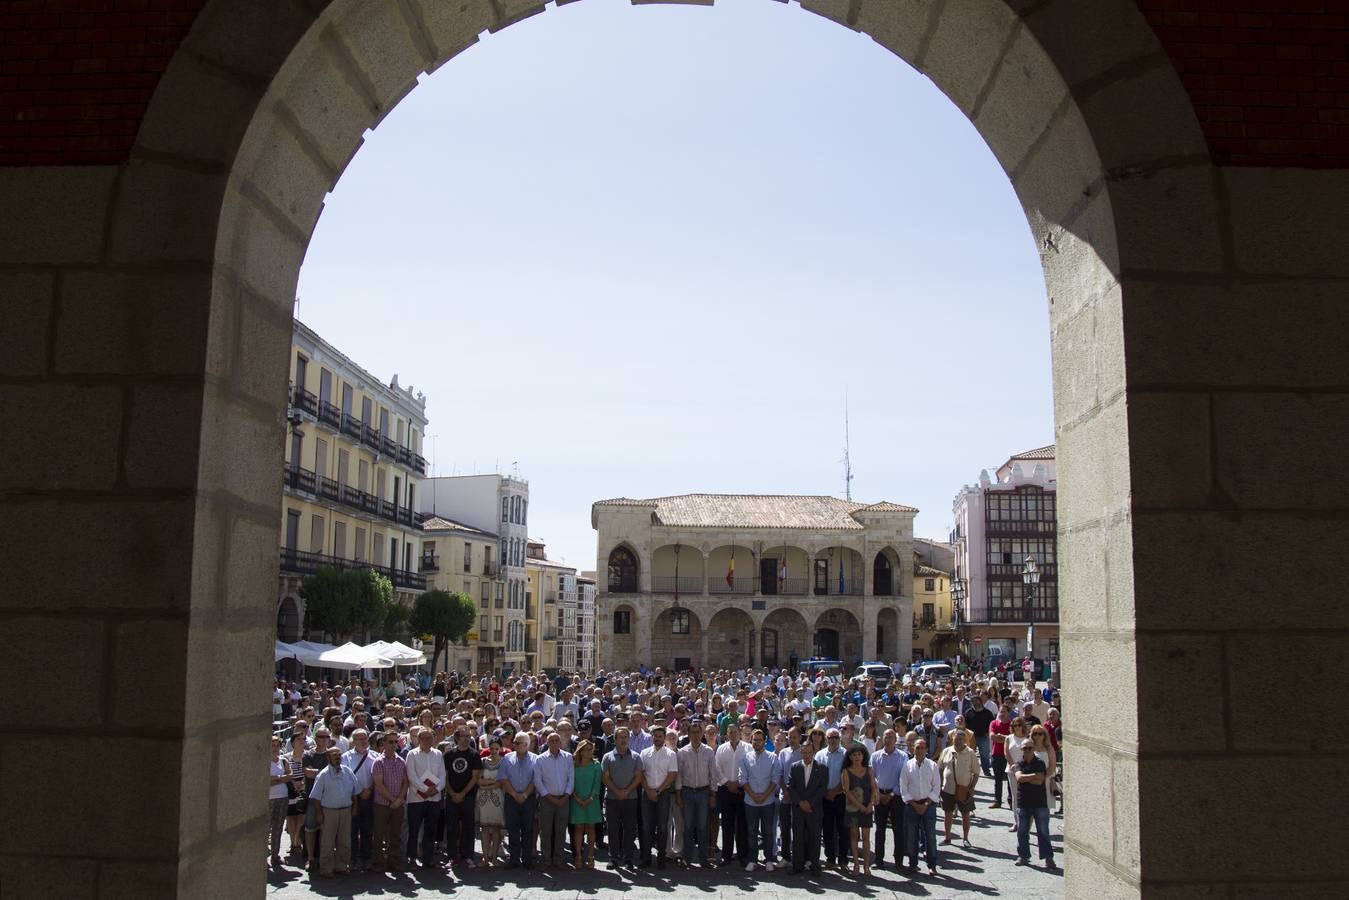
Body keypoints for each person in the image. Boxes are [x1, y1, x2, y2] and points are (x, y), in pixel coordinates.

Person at [311, 746, 358, 876]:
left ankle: (341, 866)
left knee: (345, 841)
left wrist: (355, 807)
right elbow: (316, 797)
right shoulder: (323, 775)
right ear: (328, 757)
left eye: (339, 754)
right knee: (328, 842)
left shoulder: (348, 771)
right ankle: (326, 869)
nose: (337, 757)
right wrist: (319, 813)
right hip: (329, 812)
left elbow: (355, 792)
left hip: (346, 810)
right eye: (334, 755)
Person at [676, 718, 717, 867]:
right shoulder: (682, 752)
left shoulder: (709, 751)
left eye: (698, 732)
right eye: (692, 732)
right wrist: (679, 795)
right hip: (687, 792)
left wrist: (713, 794)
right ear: (688, 734)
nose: (695, 735)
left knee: (702, 826)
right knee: (687, 826)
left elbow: (713, 774)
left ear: (702, 734)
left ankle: (703, 859)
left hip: (703, 792)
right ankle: (686, 858)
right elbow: (679, 775)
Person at [738, 728, 780, 872]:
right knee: (752, 832)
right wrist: (752, 795)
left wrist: (764, 795)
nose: (757, 742)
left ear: (765, 741)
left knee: (768, 832)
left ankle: (768, 859)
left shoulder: (773, 757)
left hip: (767, 801)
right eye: (754, 740)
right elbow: (742, 779)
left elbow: (775, 779)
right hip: (750, 801)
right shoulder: (745, 758)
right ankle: (752, 860)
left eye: (759, 740)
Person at [601, 726, 643, 870]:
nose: (623, 739)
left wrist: (626, 791)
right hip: (612, 798)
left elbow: (638, 777)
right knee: (612, 829)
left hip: (630, 798)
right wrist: (617, 791)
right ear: (615, 739)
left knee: (629, 829)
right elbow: (605, 778)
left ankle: (628, 858)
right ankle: (613, 858)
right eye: (620, 737)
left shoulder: (636, 757)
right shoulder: (607, 757)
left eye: (626, 737)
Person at [899, 738, 941, 877]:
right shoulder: (907, 766)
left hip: (929, 805)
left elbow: (936, 787)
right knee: (911, 836)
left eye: (923, 747)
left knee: (931, 836)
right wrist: (914, 804)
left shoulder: (932, 765)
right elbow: (903, 787)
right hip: (912, 805)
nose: (920, 750)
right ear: (913, 749)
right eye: (918, 747)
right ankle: (913, 864)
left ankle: (932, 865)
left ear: (926, 749)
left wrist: (926, 804)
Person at [405, 726, 446, 868]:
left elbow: (442, 775)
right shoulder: (412, 754)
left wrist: (437, 789)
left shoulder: (438, 754)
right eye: (425, 738)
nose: (428, 740)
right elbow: (411, 776)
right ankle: (412, 858)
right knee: (414, 830)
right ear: (418, 739)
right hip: (416, 799)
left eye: (430, 738)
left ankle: (428, 859)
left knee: (431, 830)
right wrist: (424, 789)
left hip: (434, 798)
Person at [638, 724, 677, 869]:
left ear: (664, 737)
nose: (658, 738)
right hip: (647, 793)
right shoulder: (644, 753)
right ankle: (646, 858)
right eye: (655, 736)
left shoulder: (671, 754)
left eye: (660, 736)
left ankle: (661, 857)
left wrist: (658, 791)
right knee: (646, 827)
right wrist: (649, 790)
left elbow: (672, 775)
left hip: (663, 793)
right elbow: (641, 774)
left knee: (662, 827)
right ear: (652, 737)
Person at [443, 725, 482, 868]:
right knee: (452, 828)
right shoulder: (449, 755)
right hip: (451, 796)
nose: (466, 739)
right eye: (463, 736)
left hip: (468, 796)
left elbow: (475, 777)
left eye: (468, 736)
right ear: (457, 738)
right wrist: (452, 793)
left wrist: (463, 793)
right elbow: (445, 776)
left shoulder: (474, 754)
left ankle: (468, 856)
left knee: (468, 827)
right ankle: (452, 857)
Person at [1012, 741, 1056, 869]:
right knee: (1022, 831)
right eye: (1025, 748)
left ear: (1034, 748)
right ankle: (1023, 856)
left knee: (1043, 831)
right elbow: (1019, 778)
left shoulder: (1040, 763)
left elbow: (1040, 780)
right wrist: (1034, 776)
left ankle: (1048, 858)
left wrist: (1026, 778)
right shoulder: (1019, 763)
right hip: (1023, 802)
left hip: (1040, 802)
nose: (1027, 750)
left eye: (1030, 748)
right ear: (1021, 749)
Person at [786, 740, 827, 874]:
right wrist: (800, 803)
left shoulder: (822, 767)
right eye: (804, 752)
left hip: (814, 809)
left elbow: (822, 788)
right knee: (797, 838)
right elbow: (790, 786)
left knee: (815, 838)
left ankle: (814, 865)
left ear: (813, 752)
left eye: (809, 752)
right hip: (798, 809)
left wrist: (810, 803)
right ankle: (797, 865)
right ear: (801, 752)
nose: (807, 755)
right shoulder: (795, 767)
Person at [535, 730, 575, 868]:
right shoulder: (540, 759)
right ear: (547, 743)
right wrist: (548, 796)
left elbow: (571, 778)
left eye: (556, 740)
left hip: (564, 799)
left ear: (560, 742)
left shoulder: (568, 757)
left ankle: (559, 858)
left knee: (561, 830)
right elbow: (538, 781)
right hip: (547, 799)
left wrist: (567, 795)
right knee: (545, 831)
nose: (554, 743)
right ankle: (546, 858)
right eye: (551, 741)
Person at [499, 733, 539, 869]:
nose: (514, 745)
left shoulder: (536, 759)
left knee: (528, 829)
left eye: (517, 743)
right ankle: (514, 859)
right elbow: (503, 778)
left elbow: (536, 780)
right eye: (514, 742)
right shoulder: (507, 758)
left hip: (529, 799)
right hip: (511, 798)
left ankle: (527, 859)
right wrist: (515, 794)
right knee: (513, 829)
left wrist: (525, 795)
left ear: (526, 745)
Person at [370, 732, 408, 872]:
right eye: (390, 742)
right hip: (382, 804)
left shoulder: (401, 761)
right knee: (379, 834)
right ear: (384, 744)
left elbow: (406, 782)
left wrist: (400, 799)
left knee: (395, 834)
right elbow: (379, 785)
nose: (393, 745)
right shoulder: (378, 762)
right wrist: (393, 800)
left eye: (395, 742)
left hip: (398, 804)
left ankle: (393, 861)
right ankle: (378, 862)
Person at [870, 728, 907, 869]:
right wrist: (878, 794)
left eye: (891, 737)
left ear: (896, 739)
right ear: (883, 739)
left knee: (898, 829)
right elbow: (871, 776)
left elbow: (903, 778)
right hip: (879, 795)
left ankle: (899, 861)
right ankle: (878, 860)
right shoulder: (875, 756)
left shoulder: (903, 756)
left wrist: (891, 794)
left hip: (896, 796)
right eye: (886, 737)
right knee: (880, 830)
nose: (889, 739)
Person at [937, 729, 979, 848]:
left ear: (965, 740)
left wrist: (972, 787)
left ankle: (965, 839)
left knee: (965, 814)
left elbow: (976, 772)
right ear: (952, 740)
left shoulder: (970, 753)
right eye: (956, 739)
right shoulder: (946, 751)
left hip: (964, 790)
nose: (958, 741)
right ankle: (947, 838)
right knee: (948, 814)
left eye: (960, 739)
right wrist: (940, 783)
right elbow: (940, 768)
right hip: (947, 789)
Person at [714, 722, 748, 867]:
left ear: (739, 732)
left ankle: (742, 855)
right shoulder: (721, 749)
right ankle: (726, 855)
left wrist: (739, 783)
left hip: (742, 790)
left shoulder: (748, 748)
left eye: (735, 731)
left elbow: (750, 768)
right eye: (730, 732)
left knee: (742, 824)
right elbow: (716, 768)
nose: (733, 734)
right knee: (727, 824)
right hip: (725, 789)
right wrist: (728, 783)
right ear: (727, 734)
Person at [341, 729, 375, 872]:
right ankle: (353, 859)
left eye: (365, 738)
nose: (363, 741)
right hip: (353, 798)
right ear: (353, 741)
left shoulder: (375, 756)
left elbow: (378, 776)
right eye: (359, 739)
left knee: (368, 829)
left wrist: (370, 789)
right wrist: (358, 792)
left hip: (370, 797)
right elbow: (344, 777)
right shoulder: (345, 757)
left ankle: (367, 858)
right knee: (352, 830)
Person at [841, 745, 876, 875]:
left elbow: (873, 787)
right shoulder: (846, 771)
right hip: (853, 808)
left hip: (867, 806)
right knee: (854, 836)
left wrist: (870, 804)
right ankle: (856, 865)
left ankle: (866, 866)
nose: (857, 757)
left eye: (859, 755)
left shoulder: (869, 770)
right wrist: (859, 806)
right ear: (850, 757)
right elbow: (846, 791)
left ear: (863, 756)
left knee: (866, 837)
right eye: (854, 755)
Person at [570, 739, 602, 869]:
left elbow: (597, 784)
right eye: (586, 750)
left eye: (591, 749)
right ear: (580, 751)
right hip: (576, 800)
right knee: (578, 828)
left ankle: (590, 856)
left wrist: (590, 798)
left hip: (592, 801)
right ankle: (578, 856)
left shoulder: (596, 765)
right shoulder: (573, 765)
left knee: (590, 828)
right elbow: (570, 783)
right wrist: (577, 798)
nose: (589, 752)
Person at [819, 728, 849, 868]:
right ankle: (830, 858)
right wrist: (825, 792)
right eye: (831, 737)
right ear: (826, 739)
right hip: (825, 797)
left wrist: (835, 791)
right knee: (827, 829)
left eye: (836, 737)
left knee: (843, 830)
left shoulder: (846, 754)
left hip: (841, 796)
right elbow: (817, 775)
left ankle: (843, 859)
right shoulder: (820, 755)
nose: (834, 740)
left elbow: (847, 775)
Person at [477, 736, 505, 866]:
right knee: (484, 828)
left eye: (496, 749)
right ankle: (485, 858)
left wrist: (486, 785)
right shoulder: (483, 761)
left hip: (497, 799)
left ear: (501, 749)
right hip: (484, 800)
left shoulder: (504, 762)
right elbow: (479, 780)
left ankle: (494, 858)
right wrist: (492, 782)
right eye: (492, 748)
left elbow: (501, 783)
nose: (494, 751)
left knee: (496, 829)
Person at [284, 732, 308, 864]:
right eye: (298, 739)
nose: (301, 741)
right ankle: (293, 843)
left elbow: (308, 771)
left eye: (303, 739)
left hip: (304, 790)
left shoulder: (308, 755)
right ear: (293, 742)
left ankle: (297, 840)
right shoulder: (286, 757)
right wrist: (294, 784)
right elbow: (286, 772)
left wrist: (302, 784)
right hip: (290, 790)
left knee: (301, 816)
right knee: (291, 817)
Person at [267, 736, 290, 868]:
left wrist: (276, 779)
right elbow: (266, 781)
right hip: (269, 799)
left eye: (277, 745)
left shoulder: (283, 760)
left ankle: (275, 855)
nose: (275, 748)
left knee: (278, 827)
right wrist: (281, 778)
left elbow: (290, 776)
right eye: (272, 745)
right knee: (266, 828)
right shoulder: (265, 761)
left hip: (283, 797)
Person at [989, 705, 1013, 808]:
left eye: (1004, 712)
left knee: (1010, 780)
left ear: (1008, 713)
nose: (1001, 714)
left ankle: (1011, 801)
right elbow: (993, 737)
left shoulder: (1012, 724)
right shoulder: (994, 723)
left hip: (1009, 756)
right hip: (997, 754)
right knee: (997, 780)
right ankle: (997, 801)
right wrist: (1006, 738)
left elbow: (1013, 738)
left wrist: (1002, 737)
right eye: (1000, 712)